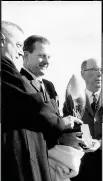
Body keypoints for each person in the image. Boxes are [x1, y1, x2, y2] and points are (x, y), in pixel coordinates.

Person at [1, 21, 85, 181]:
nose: (19, 52)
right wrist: (62, 126)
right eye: (18, 45)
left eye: (49, 56)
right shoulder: (8, 75)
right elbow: (38, 111)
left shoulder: (48, 86)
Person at [63, 58, 102, 181]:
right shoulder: (72, 101)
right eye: (95, 70)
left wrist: (100, 143)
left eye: (101, 70)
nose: (100, 74)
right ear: (82, 74)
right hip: (82, 171)